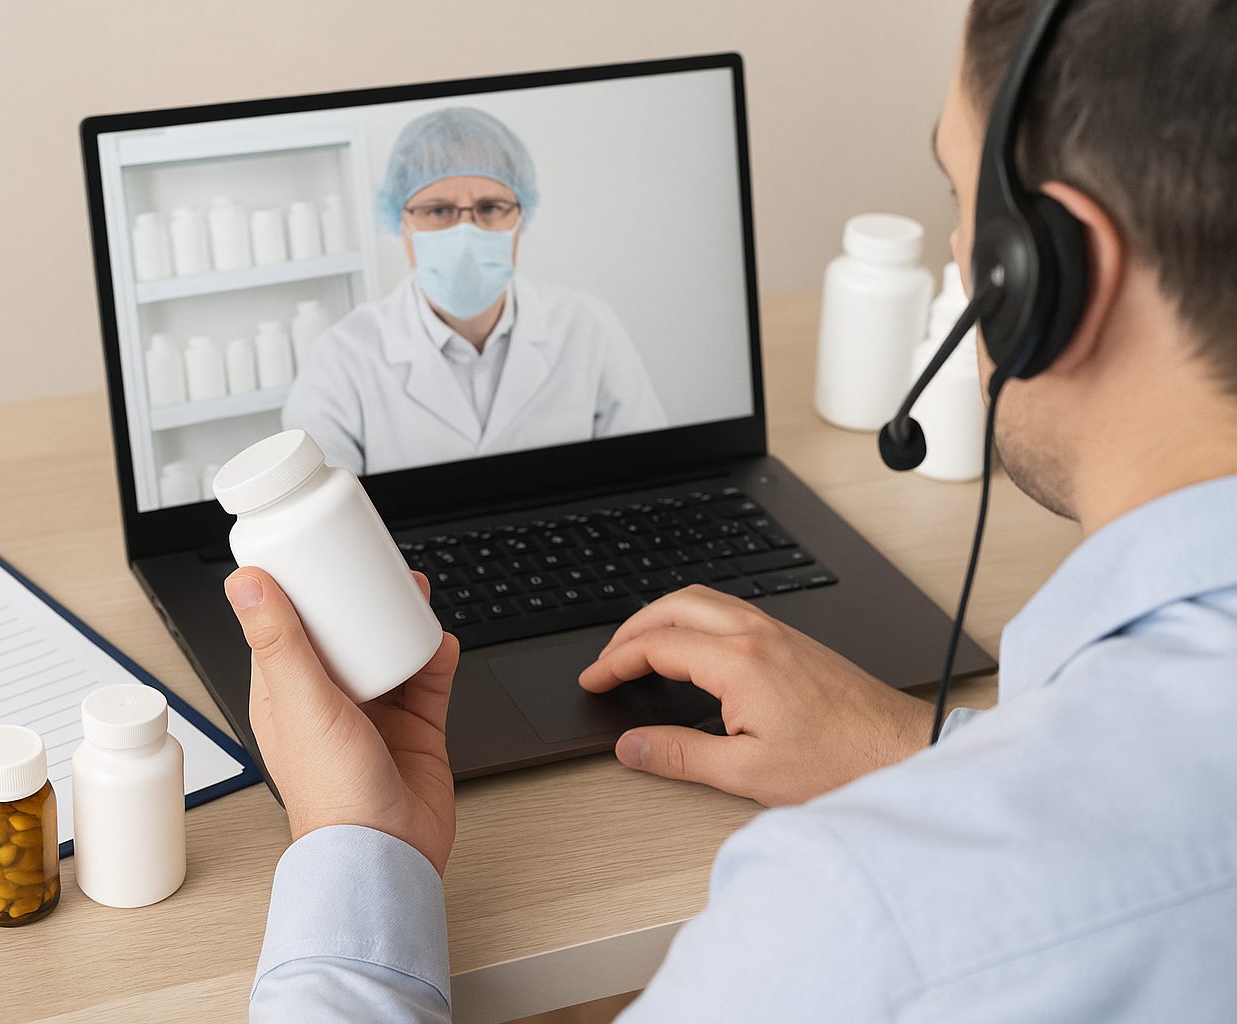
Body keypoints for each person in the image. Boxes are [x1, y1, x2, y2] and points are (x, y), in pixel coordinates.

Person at [235, 1, 1237, 1019]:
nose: (956, 250)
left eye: (959, 194)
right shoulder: (345, 358)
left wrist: (356, 853)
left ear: (1044, 277)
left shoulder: (856, 917)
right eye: (434, 211)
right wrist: (921, 749)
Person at [281, 107, 667, 476]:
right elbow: (321, 522)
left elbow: (652, 472)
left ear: (520, 217)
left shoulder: (588, 326)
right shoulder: (341, 358)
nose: (466, 232)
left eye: (490, 206)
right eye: (438, 210)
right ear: (402, 223)